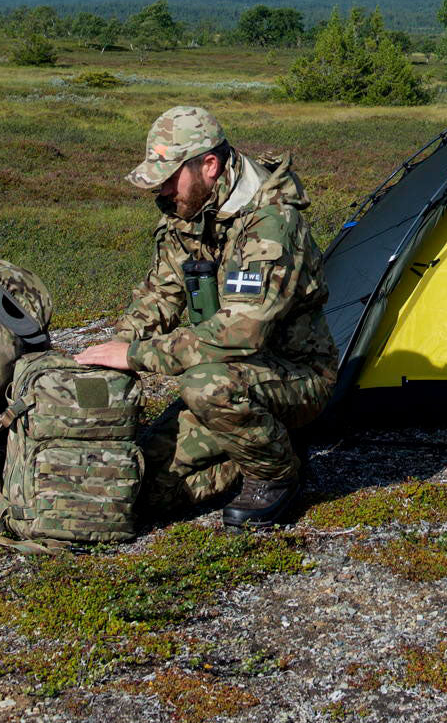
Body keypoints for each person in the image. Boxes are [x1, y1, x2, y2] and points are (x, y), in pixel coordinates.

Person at [75, 106, 337, 528]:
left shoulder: (271, 224)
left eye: (168, 177)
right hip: (226, 372)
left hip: (295, 376)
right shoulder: (188, 211)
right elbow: (162, 293)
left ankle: (277, 475)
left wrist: (139, 355)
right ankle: (265, 445)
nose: (160, 191)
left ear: (209, 165)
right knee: (140, 489)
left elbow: (244, 332)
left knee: (205, 385)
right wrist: (111, 351)